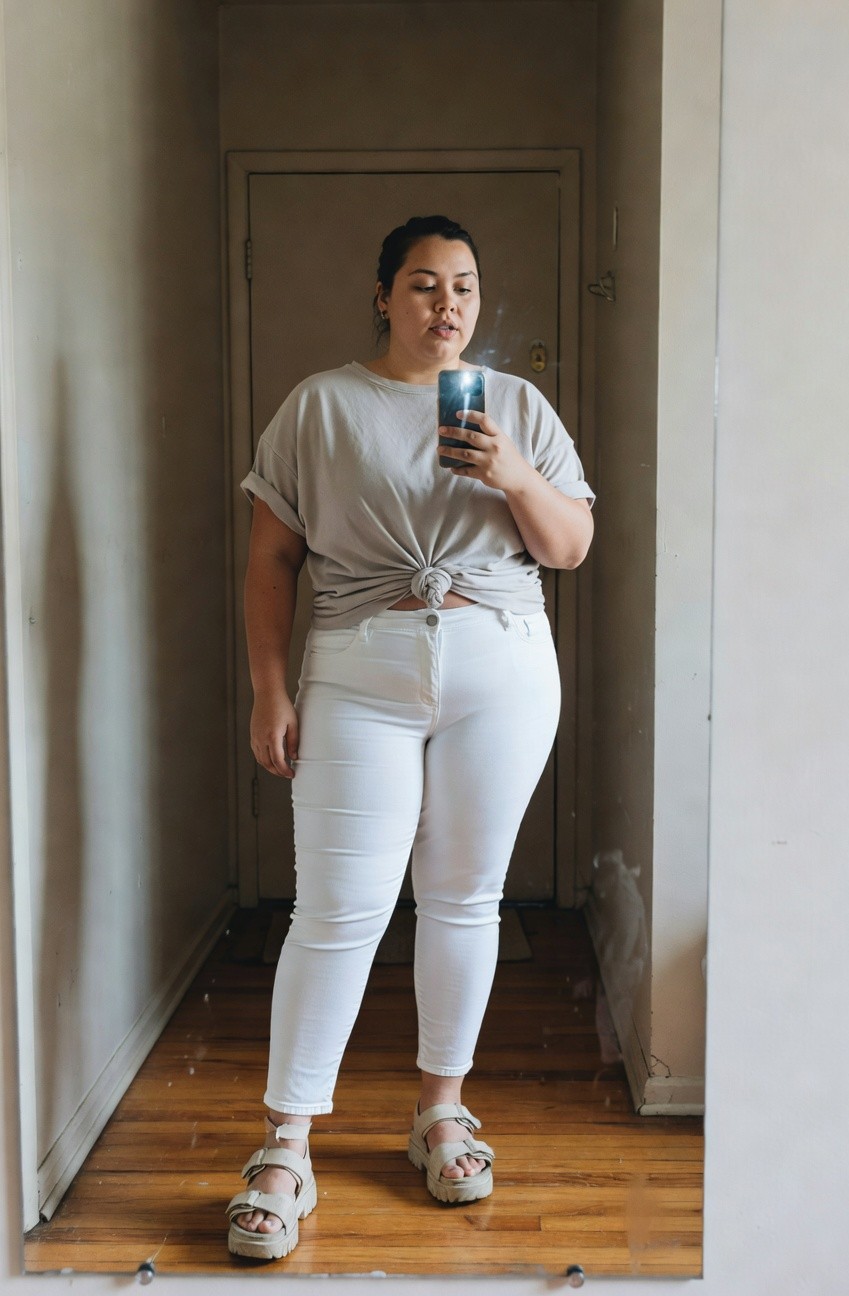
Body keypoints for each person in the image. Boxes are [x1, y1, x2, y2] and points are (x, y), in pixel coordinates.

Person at [226, 215, 595, 1260]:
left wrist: (514, 476)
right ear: (384, 295)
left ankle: (442, 1111)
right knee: (337, 907)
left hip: (504, 664)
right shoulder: (321, 405)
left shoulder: (515, 406)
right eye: (426, 285)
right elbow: (270, 564)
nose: (449, 305)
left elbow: (568, 547)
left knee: (465, 898)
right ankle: (286, 1145)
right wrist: (268, 691)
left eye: (466, 288)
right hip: (359, 666)